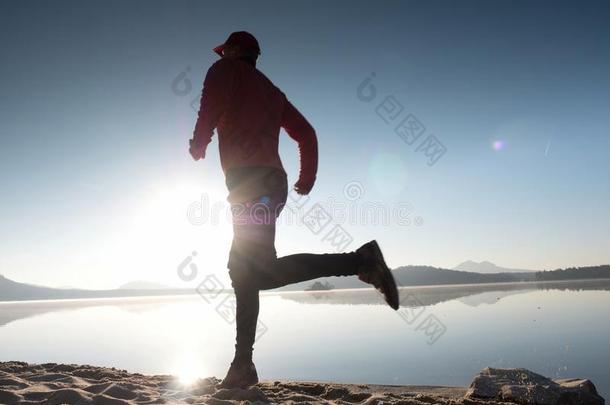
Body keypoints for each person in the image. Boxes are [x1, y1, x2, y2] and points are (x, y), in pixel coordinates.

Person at [189, 31, 400, 389]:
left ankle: (359, 260)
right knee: (246, 271)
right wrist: (307, 177)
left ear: (235, 51)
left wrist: (199, 141)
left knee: (249, 271)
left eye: (227, 51)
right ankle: (243, 365)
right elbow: (307, 133)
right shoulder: (272, 92)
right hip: (271, 184)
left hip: (251, 185)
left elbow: (209, 105)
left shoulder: (223, 71)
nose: (224, 55)